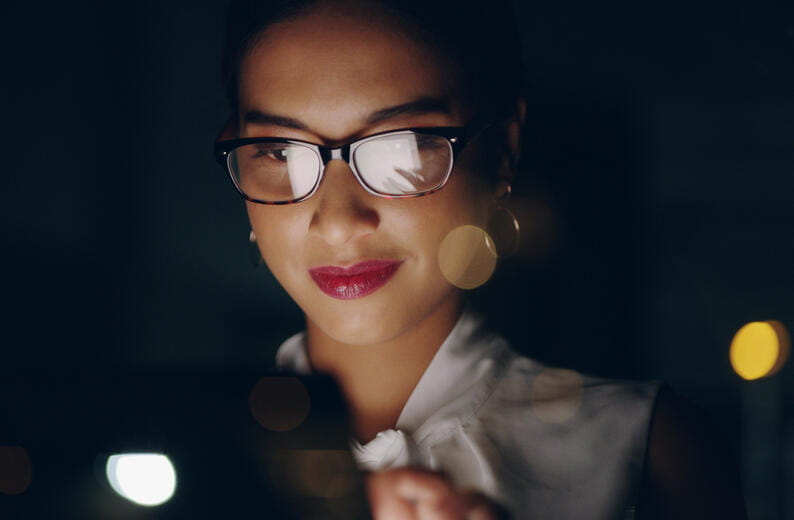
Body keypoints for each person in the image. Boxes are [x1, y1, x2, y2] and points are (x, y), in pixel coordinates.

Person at [213, 0, 747, 518]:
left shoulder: (647, 451)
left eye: (402, 147)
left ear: (503, 150)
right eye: (280, 151)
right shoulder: (187, 452)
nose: (338, 220)